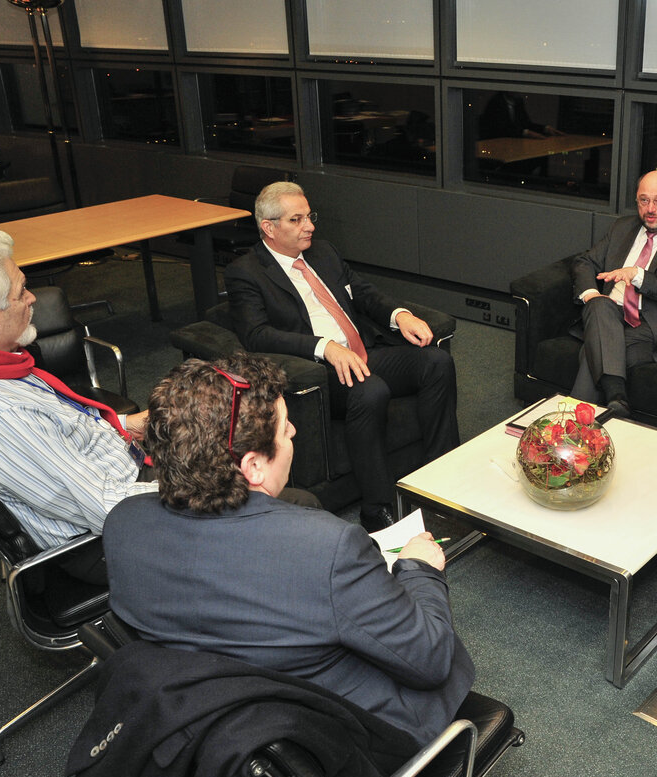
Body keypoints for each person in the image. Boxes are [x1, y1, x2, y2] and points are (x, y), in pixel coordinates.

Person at [102, 354, 474, 746]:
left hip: (205, 724)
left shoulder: (123, 524)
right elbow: (430, 662)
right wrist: (419, 570)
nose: (294, 430)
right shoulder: (328, 549)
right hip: (339, 738)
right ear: (253, 467)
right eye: (284, 427)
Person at [224, 181, 459, 533]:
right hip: (318, 371)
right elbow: (256, 334)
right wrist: (324, 347)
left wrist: (400, 315)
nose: (310, 226)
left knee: (436, 363)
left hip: (364, 352)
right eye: (297, 219)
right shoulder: (246, 272)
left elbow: (363, 293)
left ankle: (440, 474)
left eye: (310, 216)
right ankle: (376, 507)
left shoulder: (324, 252)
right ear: (269, 229)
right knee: (371, 390)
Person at [0, 228, 153, 582]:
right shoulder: (7, 418)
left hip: (108, 478)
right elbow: (110, 508)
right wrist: (207, 488)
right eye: (21, 291)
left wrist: (125, 426)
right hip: (104, 540)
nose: (33, 298)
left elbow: (53, 440)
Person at [570, 170, 657, 417]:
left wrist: (637, 275)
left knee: (593, 349)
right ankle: (616, 400)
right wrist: (592, 294)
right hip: (609, 314)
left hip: (654, 325)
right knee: (599, 305)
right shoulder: (622, 226)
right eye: (643, 200)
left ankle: (572, 426)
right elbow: (584, 261)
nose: (650, 208)